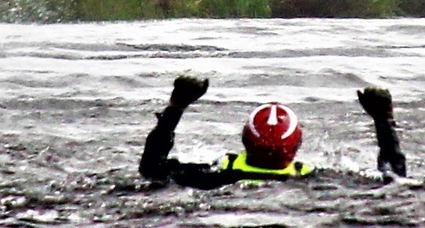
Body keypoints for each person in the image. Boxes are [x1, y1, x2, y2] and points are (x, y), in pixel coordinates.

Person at [139, 75, 406, 188]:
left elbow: (151, 168)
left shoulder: (213, 176)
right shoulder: (314, 180)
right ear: (296, 144)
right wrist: (383, 120)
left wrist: (176, 106)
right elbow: (394, 178)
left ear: (245, 140)